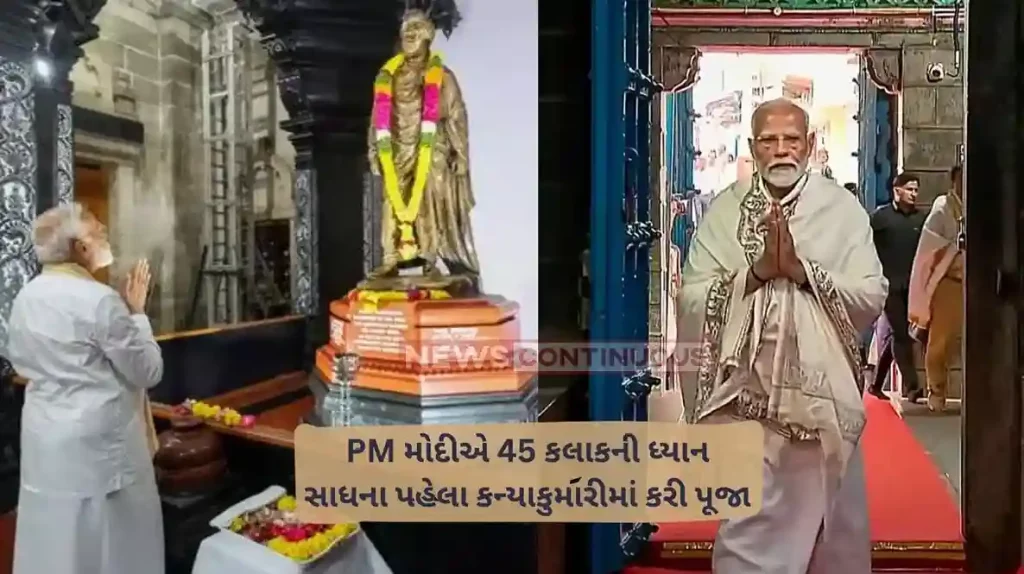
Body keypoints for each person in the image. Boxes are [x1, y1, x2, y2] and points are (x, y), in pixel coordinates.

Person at [677, 98, 886, 573]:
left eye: (791, 139)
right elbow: (691, 296)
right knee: (747, 537)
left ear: (810, 145)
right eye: (769, 140)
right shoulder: (726, 212)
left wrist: (803, 272)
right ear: (753, 147)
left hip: (822, 408)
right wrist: (754, 274)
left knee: (832, 535)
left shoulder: (841, 211)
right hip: (749, 407)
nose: (781, 150)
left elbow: (870, 293)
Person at [6, 203, 164, 574]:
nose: (104, 233)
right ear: (79, 247)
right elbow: (148, 370)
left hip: (47, 438)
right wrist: (137, 312)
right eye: (97, 231)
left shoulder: (26, 297)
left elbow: (21, 360)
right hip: (100, 448)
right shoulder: (99, 300)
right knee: (112, 542)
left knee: (55, 537)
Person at [908, 165, 964, 412]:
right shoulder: (942, 209)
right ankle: (936, 391)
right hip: (949, 282)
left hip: (977, 281)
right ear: (955, 181)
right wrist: (954, 253)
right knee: (940, 342)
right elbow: (930, 248)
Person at [868, 173, 928, 403]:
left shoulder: (920, 220)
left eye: (916, 190)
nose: (914, 194)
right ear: (897, 190)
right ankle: (913, 387)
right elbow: (863, 245)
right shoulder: (880, 218)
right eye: (910, 189)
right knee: (902, 335)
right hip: (887, 287)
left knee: (898, 336)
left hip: (911, 287)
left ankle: (875, 384)